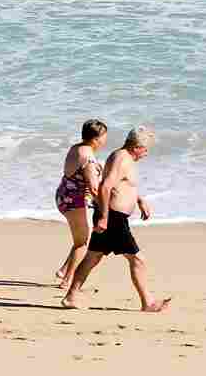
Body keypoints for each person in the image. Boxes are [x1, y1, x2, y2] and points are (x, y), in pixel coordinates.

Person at [64, 126, 169, 313]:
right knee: (138, 260)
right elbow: (105, 187)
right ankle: (148, 303)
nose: (146, 154)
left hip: (112, 215)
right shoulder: (122, 158)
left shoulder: (124, 158)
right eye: (146, 149)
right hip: (112, 217)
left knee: (92, 257)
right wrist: (104, 217)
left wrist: (139, 200)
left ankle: (71, 295)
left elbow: (123, 186)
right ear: (137, 146)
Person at [53, 118, 108, 288]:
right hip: (75, 202)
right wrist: (105, 208)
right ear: (96, 139)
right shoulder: (89, 158)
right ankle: (67, 280)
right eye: (105, 136)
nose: (105, 140)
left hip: (63, 196)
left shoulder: (76, 148)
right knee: (83, 243)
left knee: (80, 237)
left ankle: (63, 270)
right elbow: (93, 188)